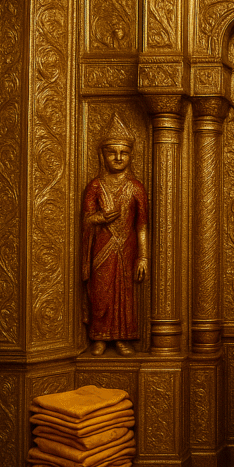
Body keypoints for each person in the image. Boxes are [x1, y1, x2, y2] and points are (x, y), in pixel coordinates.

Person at [81, 113, 148, 356]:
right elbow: (87, 218)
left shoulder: (136, 187)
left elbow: (141, 224)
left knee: (124, 294)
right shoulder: (95, 186)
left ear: (130, 156)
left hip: (126, 247)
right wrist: (98, 217)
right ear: (103, 155)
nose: (118, 157)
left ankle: (122, 337)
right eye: (112, 152)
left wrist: (143, 257)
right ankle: (99, 336)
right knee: (100, 290)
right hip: (101, 246)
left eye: (124, 153)